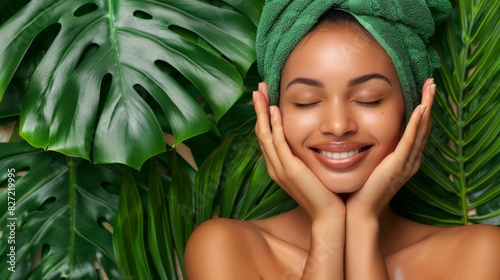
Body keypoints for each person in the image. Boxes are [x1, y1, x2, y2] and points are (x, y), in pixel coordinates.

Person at [184, 1, 500, 279]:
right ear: (271, 115)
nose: (338, 126)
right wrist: (328, 225)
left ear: (415, 108)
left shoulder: (479, 255)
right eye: (307, 100)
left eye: (369, 99)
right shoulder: (225, 249)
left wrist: (362, 226)